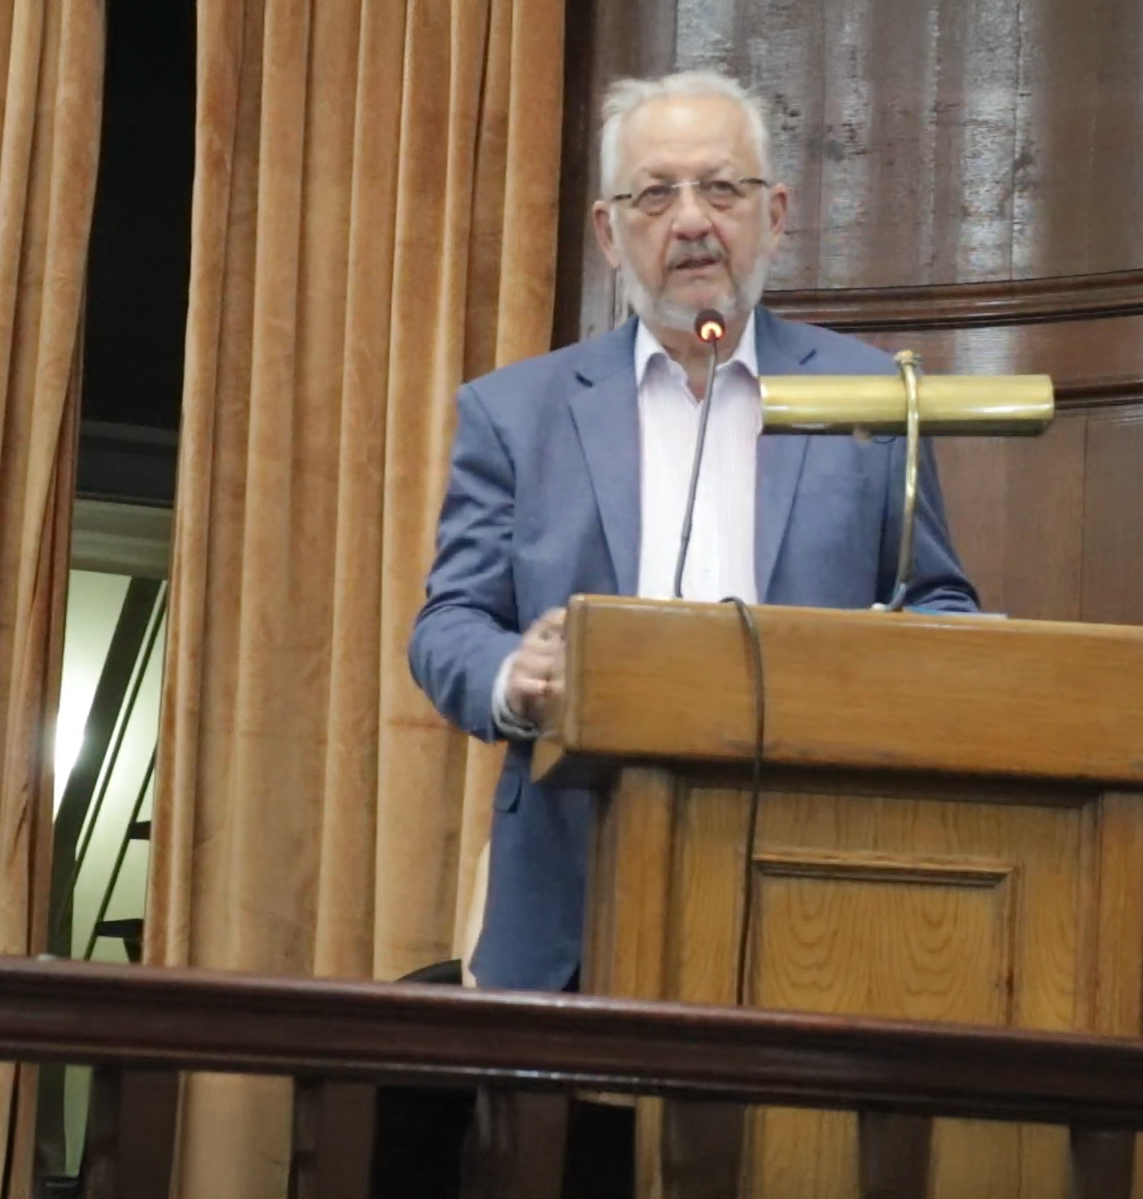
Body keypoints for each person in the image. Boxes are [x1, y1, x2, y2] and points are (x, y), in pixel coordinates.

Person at [407, 68, 979, 993]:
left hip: (818, 878)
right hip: (574, 893)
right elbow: (448, 624)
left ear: (774, 215)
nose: (691, 221)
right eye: (654, 194)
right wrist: (518, 675)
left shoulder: (869, 394)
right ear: (608, 233)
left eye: (721, 188)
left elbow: (938, 599)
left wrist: (896, 672)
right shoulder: (516, 412)